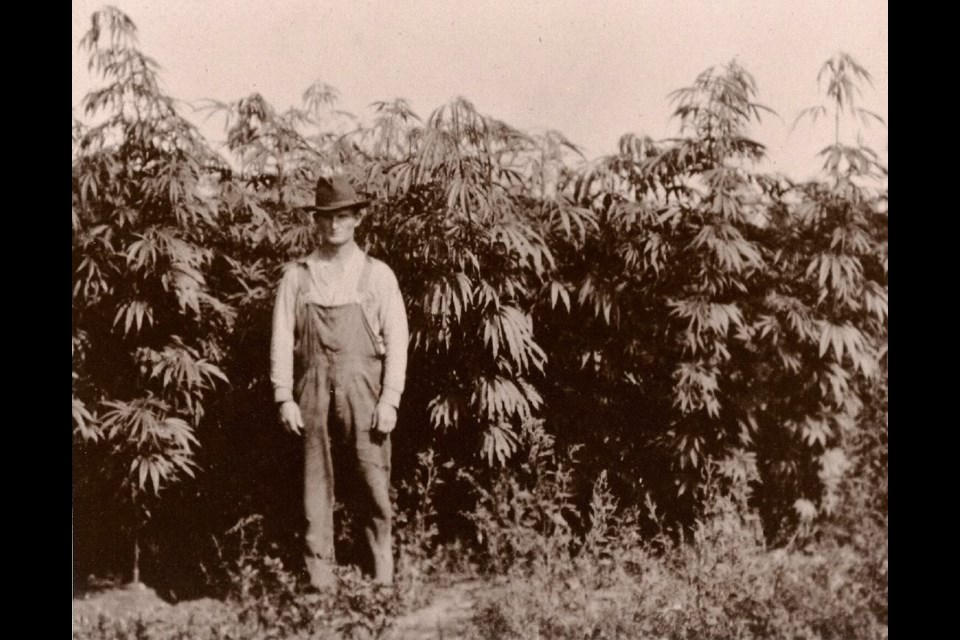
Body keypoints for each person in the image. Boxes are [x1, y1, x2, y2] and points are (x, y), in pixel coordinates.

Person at [270, 175, 409, 588]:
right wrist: (283, 396)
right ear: (317, 221)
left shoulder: (377, 275)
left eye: (343, 216)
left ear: (357, 219)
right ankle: (320, 583)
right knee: (315, 485)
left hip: (364, 389)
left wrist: (390, 400)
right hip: (311, 388)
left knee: (372, 479)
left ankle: (381, 577)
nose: (334, 226)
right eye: (327, 217)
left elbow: (398, 341)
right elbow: (281, 338)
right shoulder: (297, 276)